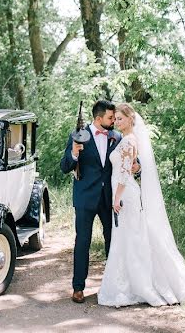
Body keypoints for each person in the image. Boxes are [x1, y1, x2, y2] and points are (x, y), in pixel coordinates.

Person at [97, 103, 185, 307]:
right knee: (130, 238)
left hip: (126, 194)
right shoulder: (128, 139)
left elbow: (125, 173)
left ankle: (142, 285)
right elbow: (133, 167)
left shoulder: (128, 140)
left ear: (131, 119)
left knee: (132, 239)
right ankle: (128, 283)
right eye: (115, 119)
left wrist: (117, 198)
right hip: (126, 191)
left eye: (120, 118)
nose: (117, 122)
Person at [60, 100, 120, 303]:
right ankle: (78, 287)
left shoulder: (117, 137)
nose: (114, 121)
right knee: (83, 241)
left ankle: (112, 285)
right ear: (98, 118)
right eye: (110, 118)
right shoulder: (79, 135)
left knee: (112, 240)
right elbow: (64, 166)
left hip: (108, 198)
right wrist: (74, 154)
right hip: (85, 197)